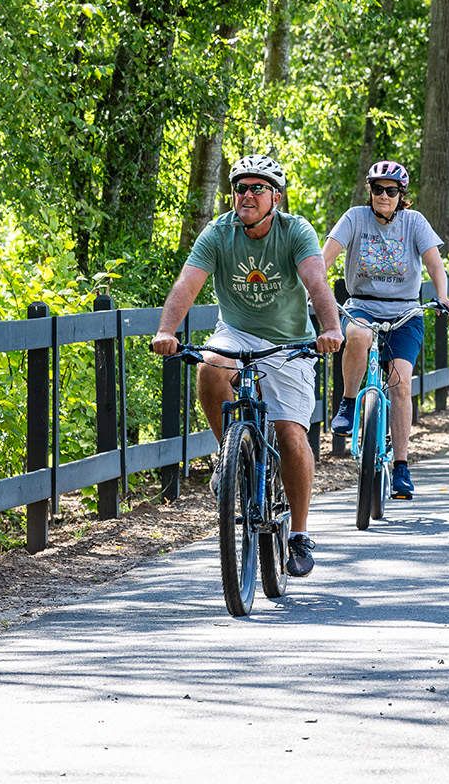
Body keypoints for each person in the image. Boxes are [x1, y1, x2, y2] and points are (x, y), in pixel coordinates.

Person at [151, 154, 343, 578]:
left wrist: (331, 328)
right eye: (241, 187)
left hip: (288, 341)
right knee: (210, 367)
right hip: (235, 332)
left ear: (276, 197)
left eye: (258, 188)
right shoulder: (219, 232)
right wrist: (167, 331)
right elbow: (188, 283)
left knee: (292, 435)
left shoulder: (296, 231)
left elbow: (316, 280)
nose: (247, 195)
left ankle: (299, 533)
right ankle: (229, 454)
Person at [320, 161, 449, 500]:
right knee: (358, 335)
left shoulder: (415, 222)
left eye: (392, 190)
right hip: (362, 305)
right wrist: (314, 289)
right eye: (378, 189)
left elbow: (434, 265)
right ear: (370, 191)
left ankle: (401, 467)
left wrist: (442, 296)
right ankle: (349, 403)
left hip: (405, 312)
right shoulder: (355, 217)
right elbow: (323, 259)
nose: (384, 196)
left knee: (400, 382)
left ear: (402, 195)